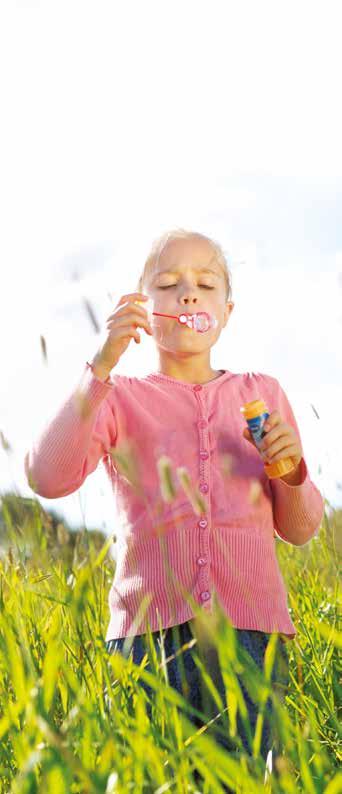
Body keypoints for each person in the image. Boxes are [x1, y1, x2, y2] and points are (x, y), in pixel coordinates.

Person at [24, 228, 324, 783]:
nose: (188, 295)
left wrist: (293, 470)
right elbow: (46, 476)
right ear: (142, 307)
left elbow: (302, 528)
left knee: (244, 780)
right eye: (169, 283)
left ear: (226, 311)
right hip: (147, 642)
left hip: (251, 641)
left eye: (205, 284)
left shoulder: (262, 394)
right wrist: (98, 369)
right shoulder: (119, 398)